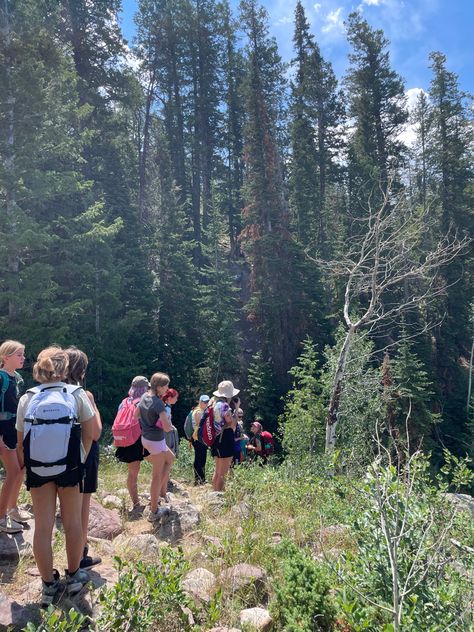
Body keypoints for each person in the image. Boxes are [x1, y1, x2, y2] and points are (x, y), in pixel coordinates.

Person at [16, 346, 96, 607]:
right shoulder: (75, 394)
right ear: (64, 368)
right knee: (72, 523)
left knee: (43, 527)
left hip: (38, 468)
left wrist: (29, 467)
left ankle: (48, 584)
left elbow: (21, 441)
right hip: (70, 467)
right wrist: (80, 458)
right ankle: (74, 576)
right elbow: (92, 432)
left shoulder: (27, 397)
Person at [64, 347, 102, 570]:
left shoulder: (50, 391)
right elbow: (95, 432)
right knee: (82, 508)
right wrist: (93, 404)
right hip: (84, 456)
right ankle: (79, 557)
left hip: (58, 457)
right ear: (81, 371)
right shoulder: (83, 395)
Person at [0, 340, 32, 533]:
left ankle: (12, 509)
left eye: (23, 354)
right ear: (6, 357)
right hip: (3, 432)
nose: (23, 358)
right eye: (19, 355)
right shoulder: (1, 378)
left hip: (14, 430)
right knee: (13, 473)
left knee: (20, 471)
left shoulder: (16, 377)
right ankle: (1, 516)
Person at [137, 372, 173, 522]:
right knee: (156, 476)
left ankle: (158, 493)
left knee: (171, 458)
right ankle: (154, 510)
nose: (167, 389)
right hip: (156, 441)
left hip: (146, 438)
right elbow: (166, 427)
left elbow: (135, 415)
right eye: (166, 386)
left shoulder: (144, 397)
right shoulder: (158, 403)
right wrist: (169, 426)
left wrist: (148, 422)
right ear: (159, 387)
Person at [114, 376, 150, 510]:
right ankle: (137, 504)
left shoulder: (124, 402)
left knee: (132, 472)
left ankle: (136, 501)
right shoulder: (143, 401)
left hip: (126, 438)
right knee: (161, 462)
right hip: (138, 439)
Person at [211, 380, 239, 491]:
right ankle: (219, 496)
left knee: (217, 470)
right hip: (225, 437)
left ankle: (214, 493)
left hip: (216, 437)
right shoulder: (225, 406)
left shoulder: (213, 403)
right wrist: (236, 409)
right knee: (224, 471)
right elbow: (232, 423)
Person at [161, 388, 179, 500]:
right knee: (168, 458)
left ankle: (166, 481)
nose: (177, 399)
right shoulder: (166, 409)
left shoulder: (166, 407)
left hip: (165, 433)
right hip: (167, 434)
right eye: (175, 397)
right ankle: (165, 483)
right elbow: (166, 423)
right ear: (169, 398)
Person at [190, 394, 209, 484]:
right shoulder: (199, 412)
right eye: (204, 401)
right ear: (200, 402)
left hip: (198, 438)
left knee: (200, 458)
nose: (206, 403)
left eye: (207, 402)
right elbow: (200, 425)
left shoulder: (200, 410)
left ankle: (200, 478)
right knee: (200, 459)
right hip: (198, 438)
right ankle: (199, 479)